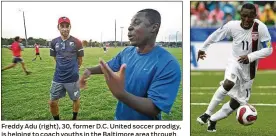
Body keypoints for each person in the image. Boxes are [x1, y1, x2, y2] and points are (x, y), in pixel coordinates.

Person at [79, 9, 181, 120]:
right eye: (130, 24)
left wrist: (120, 94)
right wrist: (89, 70)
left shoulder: (168, 64)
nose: (129, 27)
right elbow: (110, 66)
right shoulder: (127, 52)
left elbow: (154, 108)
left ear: (154, 28)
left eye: (136, 23)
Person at [196, 3, 273, 132]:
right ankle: (206, 114)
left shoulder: (261, 27)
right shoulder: (232, 26)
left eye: (250, 17)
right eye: (244, 16)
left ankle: (213, 119)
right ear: (240, 15)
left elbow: (269, 49)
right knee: (228, 83)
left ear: (255, 15)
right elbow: (216, 35)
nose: (247, 19)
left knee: (235, 103)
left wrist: (250, 56)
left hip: (250, 69)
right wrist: (203, 48)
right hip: (235, 62)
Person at [49, 16, 84, 120]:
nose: (65, 28)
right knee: (52, 102)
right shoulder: (54, 42)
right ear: (58, 27)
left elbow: (80, 60)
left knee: (75, 99)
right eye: (62, 26)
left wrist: (73, 70)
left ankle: (74, 119)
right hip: (58, 78)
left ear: (70, 27)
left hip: (72, 78)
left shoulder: (77, 42)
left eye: (67, 26)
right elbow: (55, 58)